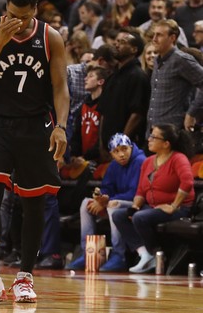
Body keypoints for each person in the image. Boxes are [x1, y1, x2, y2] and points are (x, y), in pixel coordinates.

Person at [0, 0, 69, 303]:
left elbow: (60, 87)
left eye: (24, 17)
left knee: (34, 201)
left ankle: (25, 277)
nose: (19, 22)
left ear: (35, 10)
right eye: (13, 15)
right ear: (5, 9)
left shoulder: (50, 37)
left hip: (35, 125)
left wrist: (62, 127)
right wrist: (2, 42)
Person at [112, 124, 195, 273]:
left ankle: (155, 253)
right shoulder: (148, 161)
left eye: (153, 137)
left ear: (166, 143)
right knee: (119, 215)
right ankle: (144, 253)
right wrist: (135, 206)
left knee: (140, 218)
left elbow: (188, 182)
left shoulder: (178, 158)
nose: (149, 139)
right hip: (153, 206)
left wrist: (174, 206)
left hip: (179, 208)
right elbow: (140, 190)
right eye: (150, 135)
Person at [66, 133, 146, 272]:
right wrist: (101, 196)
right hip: (116, 201)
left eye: (124, 149)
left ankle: (118, 254)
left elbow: (136, 192)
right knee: (86, 203)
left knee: (113, 206)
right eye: (116, 151)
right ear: (111, 154)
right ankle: (89, 252)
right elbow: (107, 187)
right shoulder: (114, 165)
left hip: (137, 204)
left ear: (131, 147)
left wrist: (108, 200)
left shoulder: (141, 161)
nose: (121, 154)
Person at [147, 19, 203, 134]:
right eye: (154, 35)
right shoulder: (157, 60)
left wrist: (191, 113)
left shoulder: (181, 59)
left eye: (159, 35)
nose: (154, 39)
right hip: (153, 131)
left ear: (172, 38)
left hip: (173, 131)